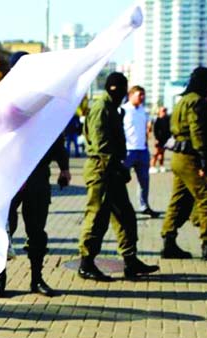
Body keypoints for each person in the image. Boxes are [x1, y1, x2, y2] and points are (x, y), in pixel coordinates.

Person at [0, 51, 72, 298]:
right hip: (10, 176)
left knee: (37, 231)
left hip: (37, 176)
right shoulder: (1, 99)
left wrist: (64, 167)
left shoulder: (46, 100)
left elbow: (56, 135)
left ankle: (36, 279)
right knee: (4, 230)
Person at [77, 72, 159, 281]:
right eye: (123, 90)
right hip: (101, 170)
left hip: (111, 170)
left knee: (125, 217)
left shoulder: (112, 107)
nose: (124, 94)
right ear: (116, 90)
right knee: (97, 218)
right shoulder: (102, 108)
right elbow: (102, 145)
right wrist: (119, 168)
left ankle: (130, 261)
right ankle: (86, 263)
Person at [160, 67, 207, 261]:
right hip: (191, 157)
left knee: (179, 201)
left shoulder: (182, 100)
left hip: (178, 157)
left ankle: (169, 241)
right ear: (203, 83)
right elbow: (198, 131)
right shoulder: (197, 102)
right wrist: (204, 158)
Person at [122, 85, 159, 218]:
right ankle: (119, 208)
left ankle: (144, 206)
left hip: (142, 151)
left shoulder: (143, 110)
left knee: (144, 181)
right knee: (120, 180)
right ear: (131, 95)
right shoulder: (123, 110)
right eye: (139, 95)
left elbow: (147, 128)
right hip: (128, 151)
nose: (142, 98)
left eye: (143, 95)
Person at [150, 106, 170, 174]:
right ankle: (152, 166)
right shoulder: (157, 119)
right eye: (163, 110)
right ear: (159, 112)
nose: (164, 112)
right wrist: (156, 139)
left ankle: (161, 166)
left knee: (162, 153)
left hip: (165, 139)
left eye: (165, 110)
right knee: (156, 153)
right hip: (158, 139)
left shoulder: (167, 119)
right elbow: (155, 130)